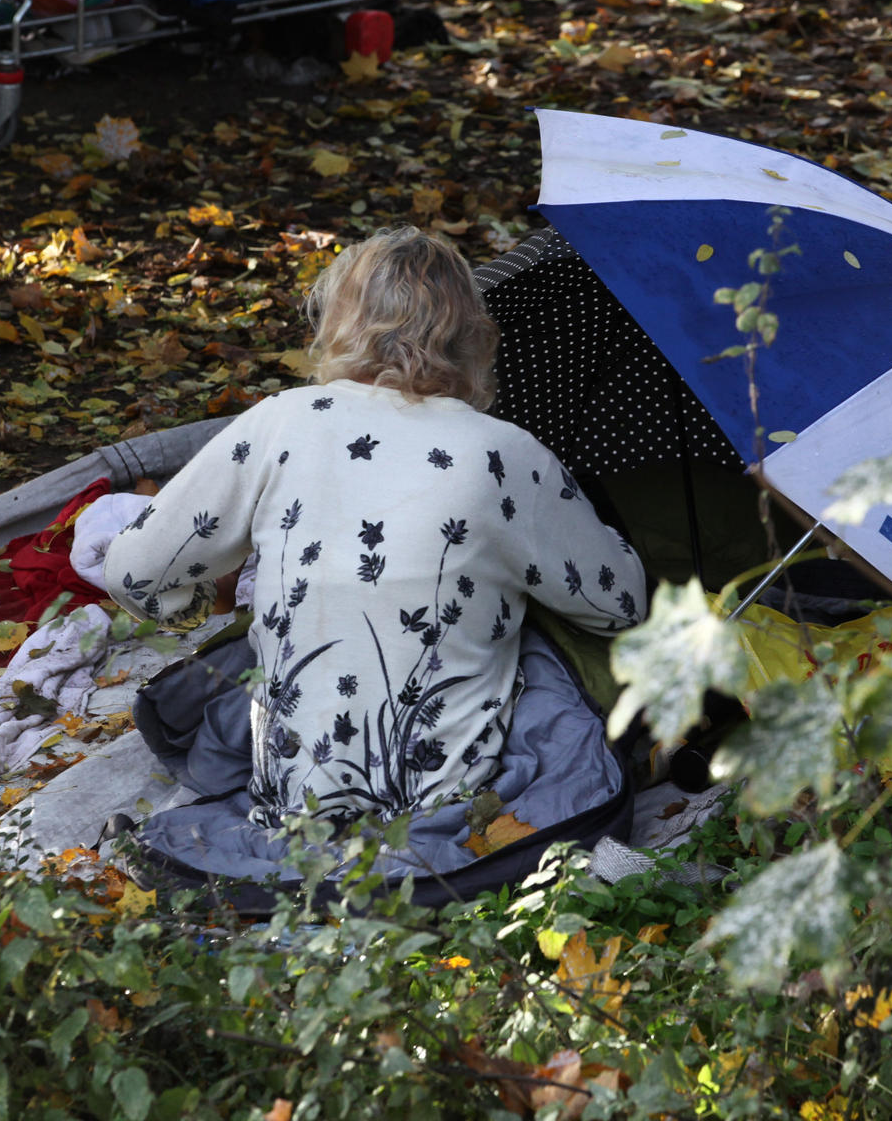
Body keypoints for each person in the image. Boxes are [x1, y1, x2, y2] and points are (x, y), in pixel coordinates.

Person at [97, 227, 645, 830]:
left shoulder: (282, 421)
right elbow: (619, 606)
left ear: (338, 321)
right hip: (444, 800)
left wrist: (202, 602)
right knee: (534, 634)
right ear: (474, 335)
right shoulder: (506, 452)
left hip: (290, 799)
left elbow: (134, 571)